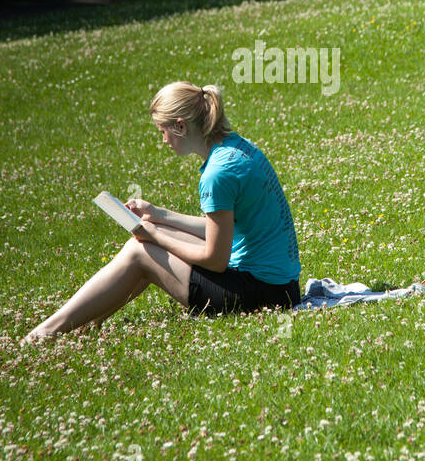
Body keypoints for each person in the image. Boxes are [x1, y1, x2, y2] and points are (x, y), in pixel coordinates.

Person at [22, 82, 301, 341]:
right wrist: (158, 215)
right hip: (281, 288)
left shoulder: (218, 173)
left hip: (261, 297)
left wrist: (154, 235)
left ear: (180, 126)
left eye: (162, 131)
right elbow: (220, 228)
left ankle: (45, 333)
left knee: (140, 251)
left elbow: (216, 260)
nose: (163, 141)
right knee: (150, 239)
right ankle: (86, 320)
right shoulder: (236, 147)